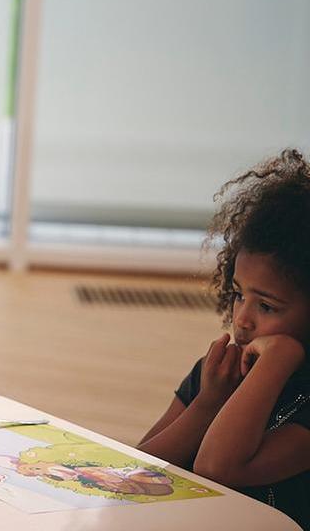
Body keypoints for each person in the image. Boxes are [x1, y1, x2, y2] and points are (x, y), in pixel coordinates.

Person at [137, 149, 310, 528]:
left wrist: (280, 357)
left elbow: (218, 466)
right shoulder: (218, 375)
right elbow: (137, 472)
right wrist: (207, 402)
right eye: (239, 295)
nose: (242, 319)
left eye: (266, 306)